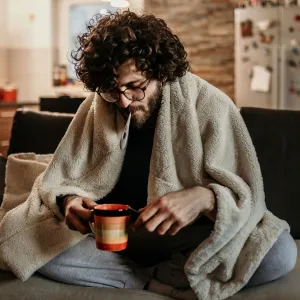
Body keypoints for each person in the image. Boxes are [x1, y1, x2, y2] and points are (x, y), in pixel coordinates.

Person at [0, 11, 297, 300]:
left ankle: (143, 276)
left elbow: (248, 196)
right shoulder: (97, 107)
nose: (125, 101)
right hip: (112, 239)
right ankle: (153, 281)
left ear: (161, 71)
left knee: (279, 252)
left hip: (184, 239)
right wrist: (69, 201)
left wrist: (205, 198)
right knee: (16, 235)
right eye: (112, 90)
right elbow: (59, 178)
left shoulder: (211, 106)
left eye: (135, 87)